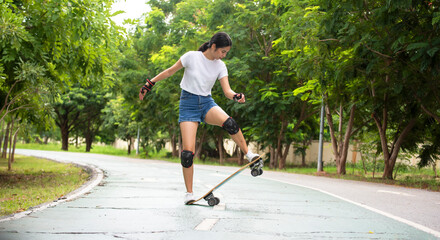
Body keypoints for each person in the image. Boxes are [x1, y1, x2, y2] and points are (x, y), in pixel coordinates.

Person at [139, 32, 261, 204]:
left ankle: (249, 156)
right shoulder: (191, 57)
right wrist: (149, 84)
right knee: (187, 154)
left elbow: (227, 91)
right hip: (188, 105)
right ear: (213, 47)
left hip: (206, 103)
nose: (223, 55)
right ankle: (189, 193)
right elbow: (169, 71)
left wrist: (236, 96)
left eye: (226, 53)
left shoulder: (220, 66)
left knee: (230, 124)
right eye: (223, 51)